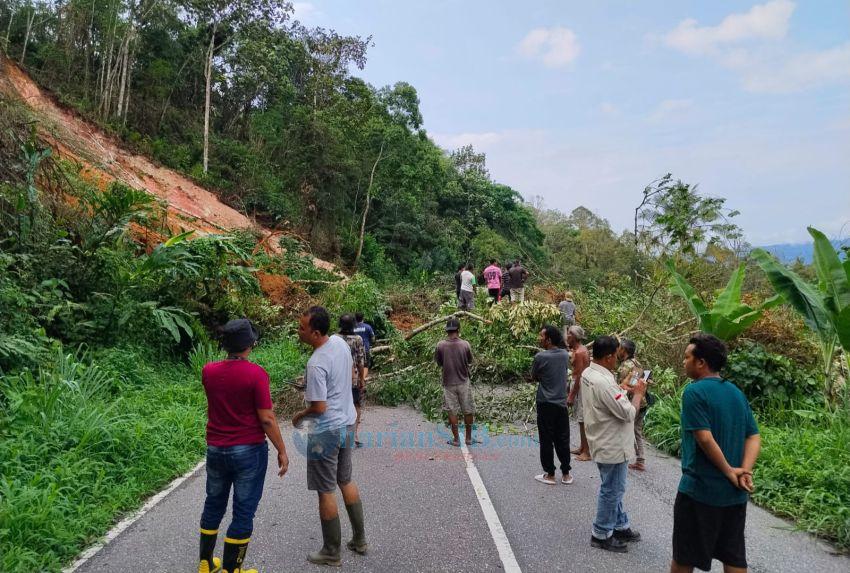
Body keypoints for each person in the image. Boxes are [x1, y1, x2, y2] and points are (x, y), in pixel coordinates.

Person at [197, 318, 289, 573]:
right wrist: (282, 449)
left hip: (216, 449)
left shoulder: (208, 371)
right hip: (248, 451)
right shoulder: (256, 374)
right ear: (250, 345)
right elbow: (267, 418)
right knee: (243, 511)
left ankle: (205, 564)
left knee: (213, 503)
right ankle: (231, 570)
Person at [671, 334, 761, 573]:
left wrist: (729, 471)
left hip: (699, 491)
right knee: (733, 557)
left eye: (687, 357)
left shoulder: (695, 392)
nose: (684, 362)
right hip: (734, 495)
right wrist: (744, 470)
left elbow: (704, 437)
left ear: (701, 362)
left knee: (684, 557)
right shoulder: (736, 392)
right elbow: (753, 436)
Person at [293, 306, 367, 566]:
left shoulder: (316, 363)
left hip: (326, 431)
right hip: (347, 423)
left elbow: (319, 407)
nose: (298, 331)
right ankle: (359, 540)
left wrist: (300, 416)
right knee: (345, 479)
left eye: (302, 328)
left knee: (326, 490)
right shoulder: (338, 342)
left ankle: (331, 551)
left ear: (315, 333)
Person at [582, 335, 647, 553]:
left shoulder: (589, 373)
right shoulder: (603, 382)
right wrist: (638, 394)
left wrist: (623, 389)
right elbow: (628, 412)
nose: (618, 358)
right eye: (616, 354)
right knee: (612, 489)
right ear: (609, 357)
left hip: (600, 438)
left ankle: (620, 525)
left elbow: (609, 397)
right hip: (613, 444)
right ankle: (601, 533)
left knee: (613, 486)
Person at [531, 325, 574, 485]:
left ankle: (550, 474)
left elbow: (534, 376)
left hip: (545, 403)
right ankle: (566, 473)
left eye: (541, 336)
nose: (539, 339)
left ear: (548, 340)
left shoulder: (540, 357)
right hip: (561, 403)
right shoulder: (564, 355)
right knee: (563, 438)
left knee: (546, 439)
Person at [434, 317, 477, 446]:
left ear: (447, 331)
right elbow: (469, 361)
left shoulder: (440, 345)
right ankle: (468, 438)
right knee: (468, 409)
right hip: (464, 382)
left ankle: (456, 439)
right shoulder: (465, 344)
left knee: (452, 411)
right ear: (458, 330)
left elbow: (439, 362)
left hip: (448, 383)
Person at [617, 339, 647, 471]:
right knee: (636, 431)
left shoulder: (626, 366)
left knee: (629, 430)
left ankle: (625, 457)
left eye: (619, 348)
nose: (617, 350)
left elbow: (627, 386)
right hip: (641, 401)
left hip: (632, 403)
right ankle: (639, 459)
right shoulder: (637, 364)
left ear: (624, 350)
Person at [339, 313, 367, 447]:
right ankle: (354, 434)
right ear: (354, 326)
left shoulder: (334, 338)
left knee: (339, 404)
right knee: (356, 405)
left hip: (337, 378)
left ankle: (340, 434)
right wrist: (362, 379)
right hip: (353, 378)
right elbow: (361, 361)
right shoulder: (357, 339)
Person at [566, 325, 591, 461]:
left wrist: (570, 395)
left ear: (575, 336)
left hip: (580, 386)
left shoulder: (581, 352)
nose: (567, 336)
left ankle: (587, 452)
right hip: (577, 384)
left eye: (569, 334)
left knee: (583, 419)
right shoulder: (577, 350)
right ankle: (582, 447)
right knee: (580, 418)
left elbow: (580, 375)